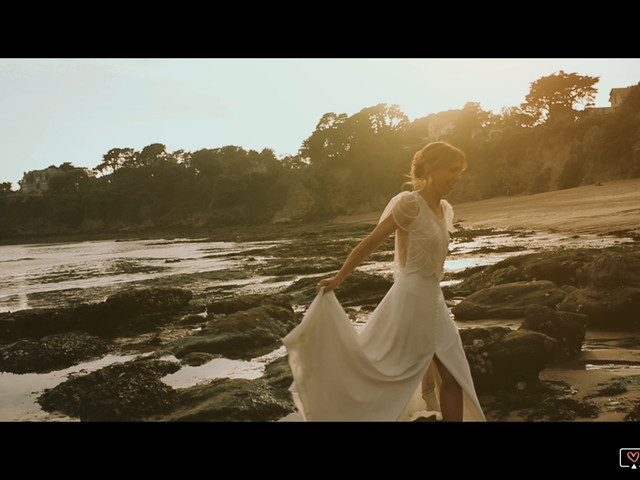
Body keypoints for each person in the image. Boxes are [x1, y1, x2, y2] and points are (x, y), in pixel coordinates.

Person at [282, 141, 486, 422]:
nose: (457, 178)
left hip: (435, 302)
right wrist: (339, 278)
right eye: (452, 170)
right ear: (430, 168)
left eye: (460, 171)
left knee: (454, 376)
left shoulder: (444, 209)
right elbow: (372, 241)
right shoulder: (409, 203)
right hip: (410, 302)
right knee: (391, 375)